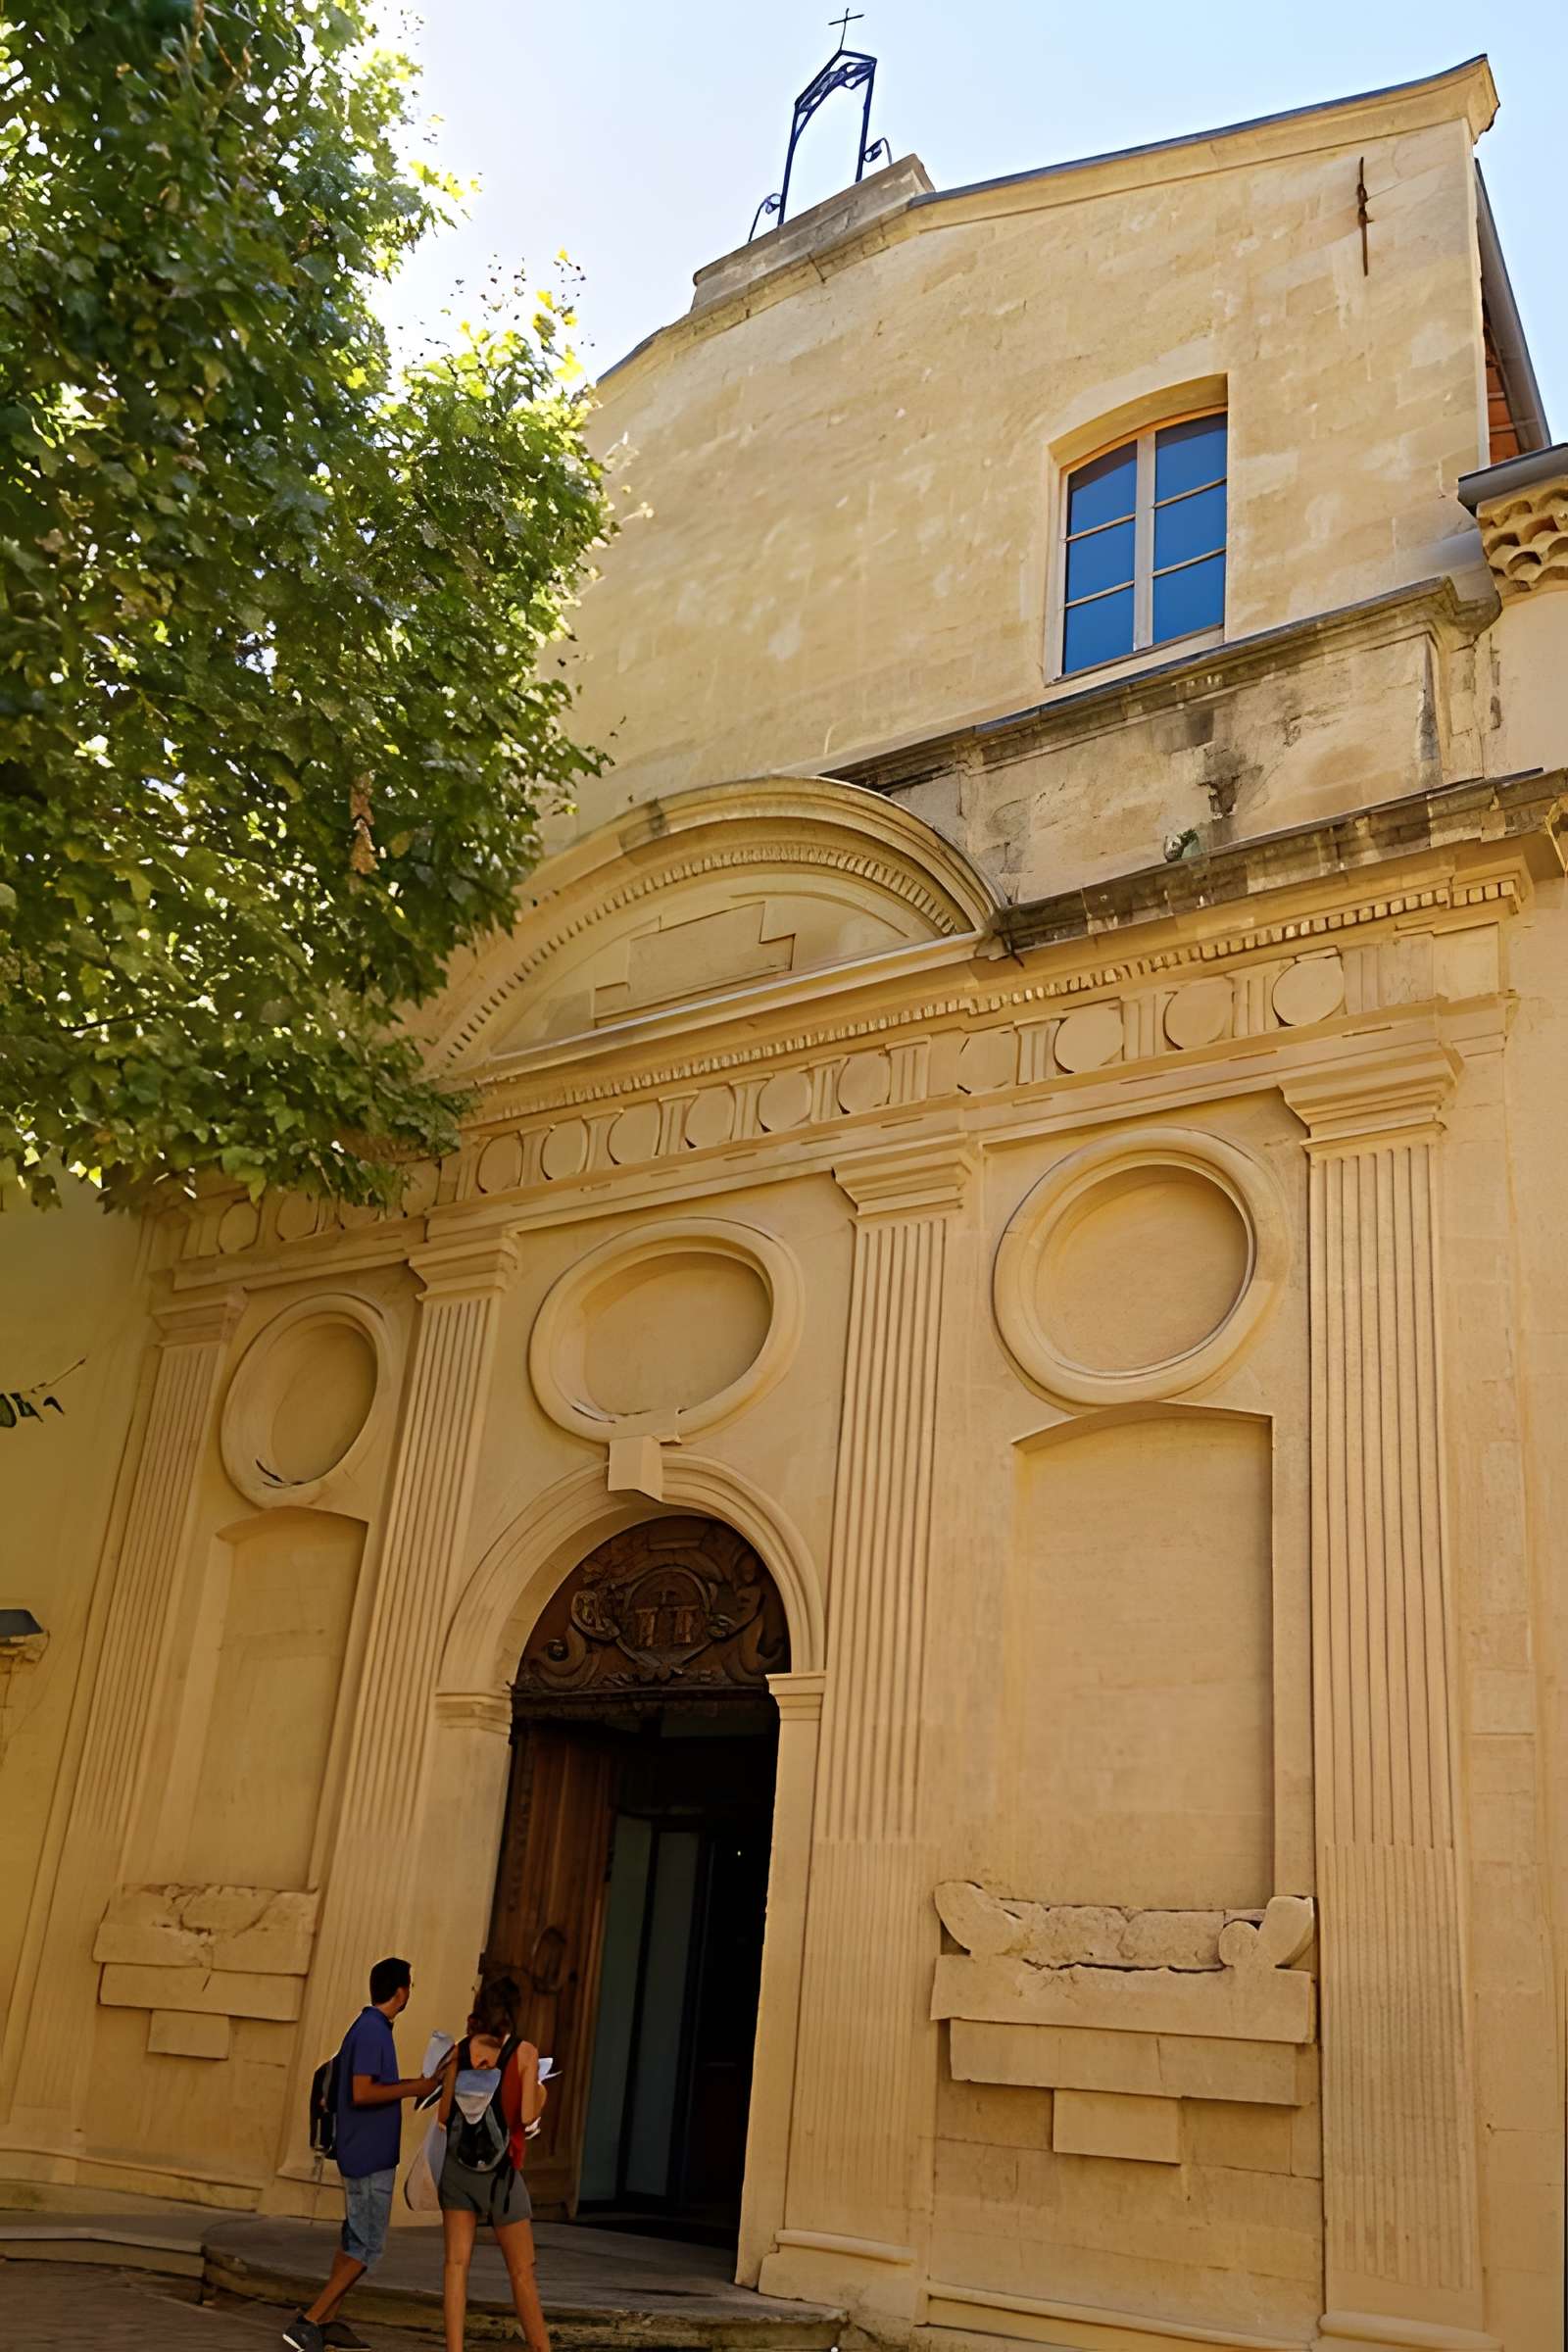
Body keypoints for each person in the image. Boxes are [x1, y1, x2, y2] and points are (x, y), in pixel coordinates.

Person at [282, 1956, 445, 2352]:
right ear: (400, 1992)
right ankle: (310, 2322)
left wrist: (418, 2085)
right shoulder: (372, 2030)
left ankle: (327, 2321)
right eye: (409, 1986)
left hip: (364, 2150)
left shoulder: (370, 2027)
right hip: (368, 2155)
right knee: (368, 2248)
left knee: (353, 2241)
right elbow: (363, 2091)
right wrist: (416, 2088)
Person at [435, 1974, 550, 2352]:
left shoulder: (460, 2050)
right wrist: (541, 2092)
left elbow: (443, 2115)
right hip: (501, 2177)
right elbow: (527, 2118)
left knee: (456, 2265)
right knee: (522, 2271)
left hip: (458, 2170)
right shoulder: (524, 2053)